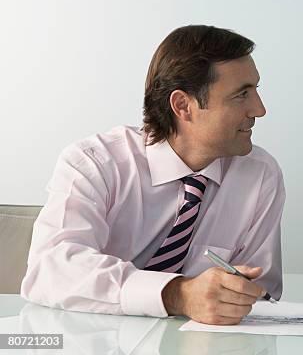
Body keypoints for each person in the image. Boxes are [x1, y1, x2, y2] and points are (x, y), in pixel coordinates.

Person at [21, 25, 285, 325]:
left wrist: (238, 296)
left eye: (256, 90)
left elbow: (262, 295)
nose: (259, 109)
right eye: (241, 95)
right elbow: (52, 269)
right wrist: (176, 294)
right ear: (183, 106)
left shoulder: (260, 175)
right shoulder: (94, 163)